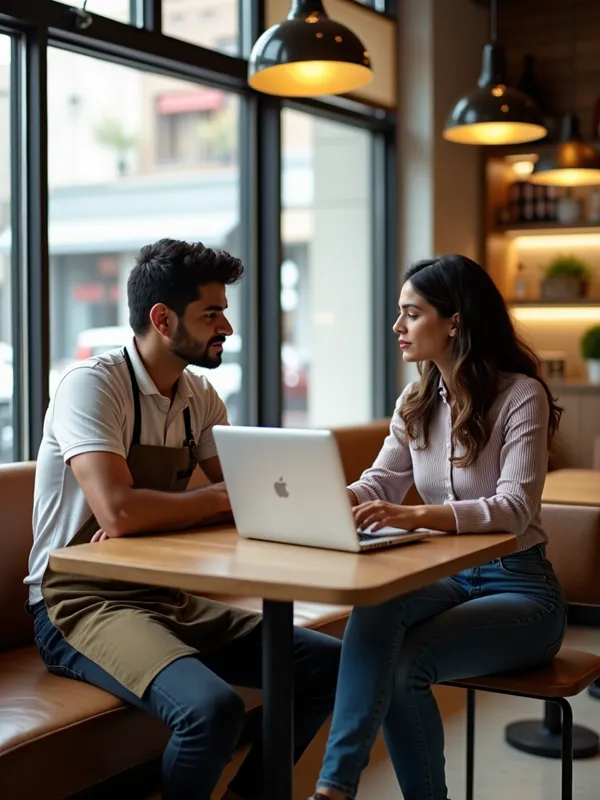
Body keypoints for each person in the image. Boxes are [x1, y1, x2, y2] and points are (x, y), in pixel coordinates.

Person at [25, 238, 341, 800]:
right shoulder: (92, 387)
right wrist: (213, 500)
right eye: (212, 313)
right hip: (78, 600)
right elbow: (119, 511)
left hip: (164, 595)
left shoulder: (200, 396)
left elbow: (250, 498)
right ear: (162, 318)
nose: (228, 327)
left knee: (330, 666)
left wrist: (202, 504)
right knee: (212, 711)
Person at [309, 254, 566, 800]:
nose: (398, 327)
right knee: (377, 601)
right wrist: (322, 501)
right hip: (450, 581)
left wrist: (415, 515)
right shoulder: (415, 399)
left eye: (412, 313)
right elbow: (380, 482)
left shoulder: (522, 396)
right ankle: (336, 787)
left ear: (454, 321)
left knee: (406, 671)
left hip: (521, 589)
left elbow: (514, 507)